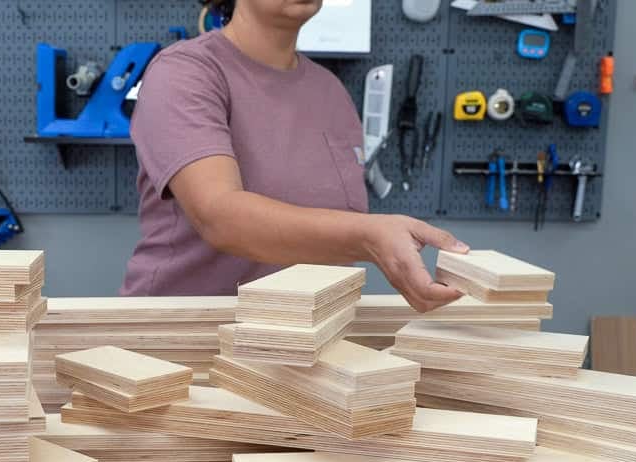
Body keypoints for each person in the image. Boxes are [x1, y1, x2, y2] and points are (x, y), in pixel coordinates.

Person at [121, 0, 469, 312]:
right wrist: (370, 236)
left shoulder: (330, 91)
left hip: (298, 345)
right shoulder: (184, 72)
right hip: (180, 339)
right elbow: (219, 216)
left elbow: (331, 231)